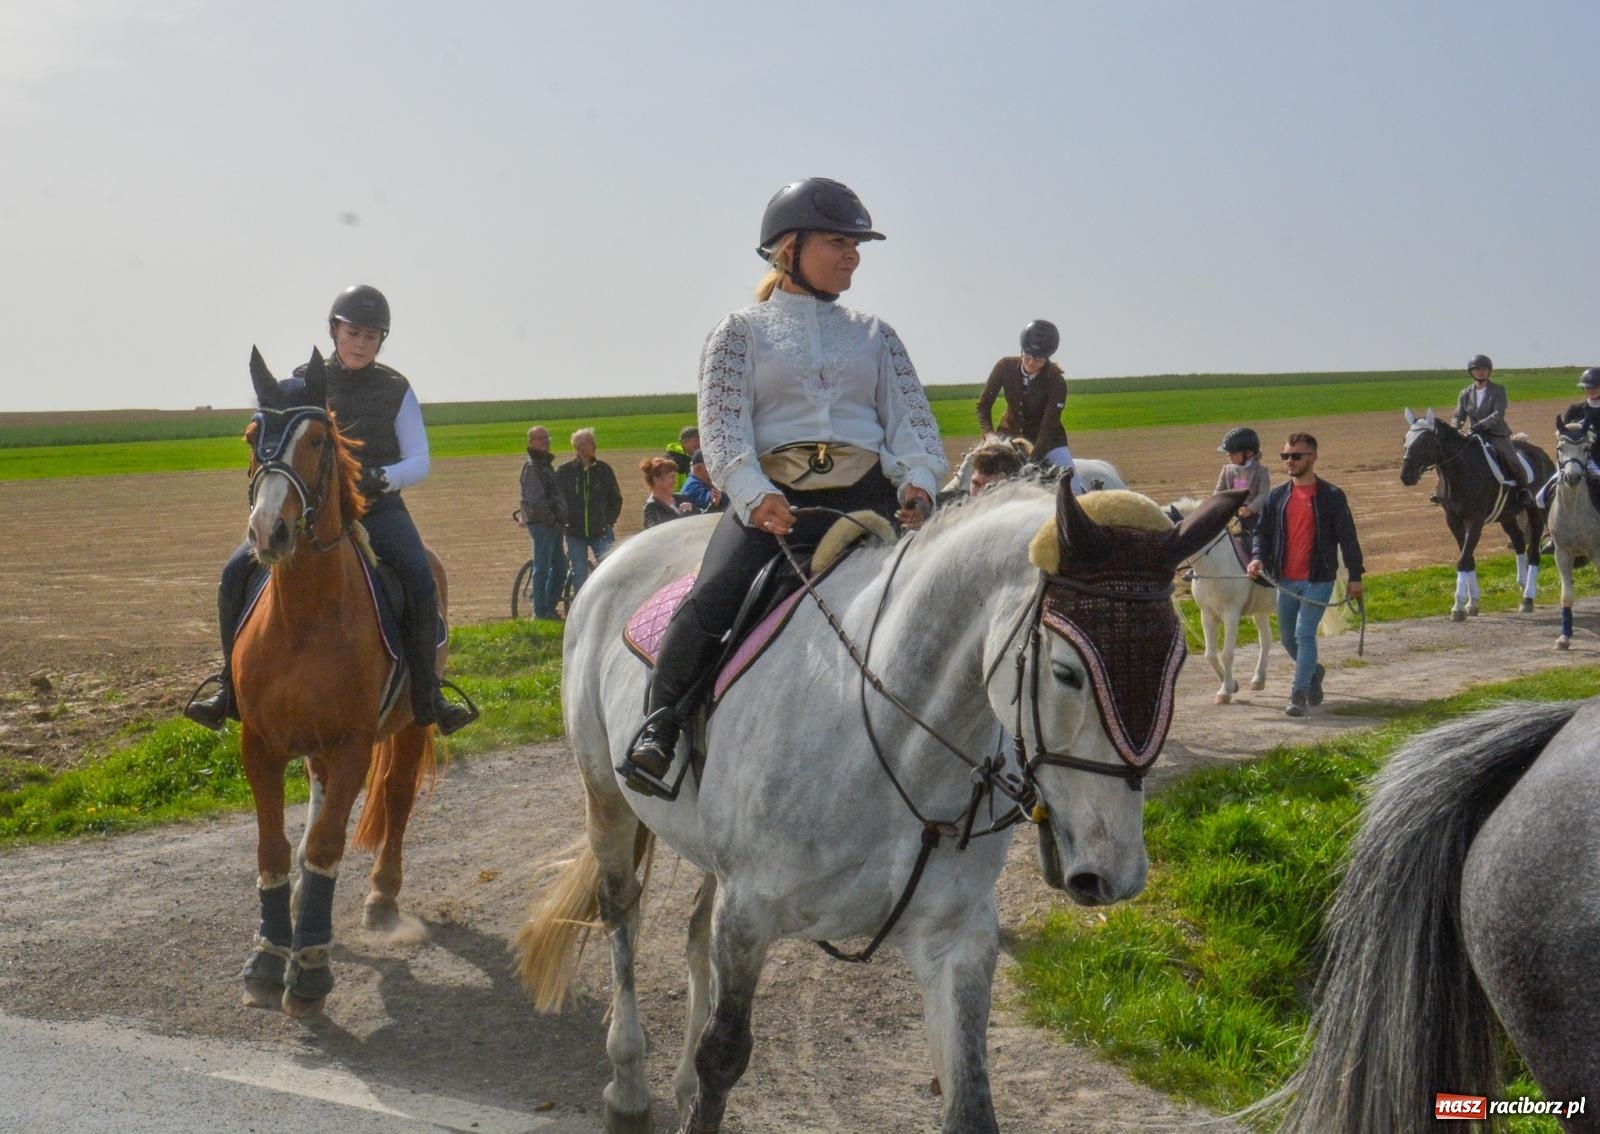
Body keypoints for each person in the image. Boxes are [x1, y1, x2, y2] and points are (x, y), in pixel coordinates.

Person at [619, 176, 946, 796]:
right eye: (837, 241)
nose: (852, 254)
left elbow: (914, 429)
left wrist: (919, 484)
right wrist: (751, 494)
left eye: (857, 245)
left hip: (869, 503)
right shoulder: (738, 332)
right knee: (714, 596)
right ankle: (658, 728)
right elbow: (721, 430)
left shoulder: (878, 335)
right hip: (775, 503)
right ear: (787, 248)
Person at [185, 284, 475, 734]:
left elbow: (420, 459)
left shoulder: (397, 389)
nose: (361, 343)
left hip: (377, 508)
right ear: (334, 331)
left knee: (419, 576)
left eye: (372, 336)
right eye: (353, 332)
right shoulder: (304, 380)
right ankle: (229, 688)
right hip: (309, 513)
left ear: (382, 341)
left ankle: (427, 696)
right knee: (234, 573)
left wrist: (383, 477)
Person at [1247, 433, 1365, 719]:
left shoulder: (1332, 497)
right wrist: (1257, 557)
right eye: (1285, 456)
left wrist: (1355, 576)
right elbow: (1262, 533)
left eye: (1296, 456)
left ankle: (1297, 694)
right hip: (1286, 580)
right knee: (1288, 638)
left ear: (1313, 457)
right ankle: (1314, 672)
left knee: (1304, 634)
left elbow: (1348, 538)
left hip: (1319, 578)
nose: (1289, 461)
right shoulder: (1277, 497)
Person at [975, 319, 1081, 493]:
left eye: (1038, 359)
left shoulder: (1056, 382)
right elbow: (983, 405)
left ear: (1048, 357)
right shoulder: (1004, 366)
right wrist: (989, 435)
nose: (1031, 363)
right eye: (1027, 356)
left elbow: (1048, 427)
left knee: (1073, 486)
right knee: (972, 474)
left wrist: (1032, 463)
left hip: (1048, 443)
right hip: (1007, 436)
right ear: (1021, 350)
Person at [1451, 354, 1531, 505]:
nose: (1480, 372)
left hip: (1496, 434)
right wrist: (1454, 428)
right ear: (1471, 372)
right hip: (1474, 434)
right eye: (1476, 369)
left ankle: (1523, 490)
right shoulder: (1464, 393)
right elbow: (1458, 415)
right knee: (1453, 456)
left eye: (1484, 369)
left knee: (1512, 459)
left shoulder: (1498, 390)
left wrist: (1480, 425)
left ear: (1489, 371)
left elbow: (1498, 414)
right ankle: (1442, 489)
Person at [557, 427, 622, 593]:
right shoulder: (565, 472)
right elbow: (557, 499)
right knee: (579, 574)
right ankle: (580, 612)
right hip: (574, 533)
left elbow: (615, 498)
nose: (595, 446)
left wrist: (608, 521)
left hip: (601, 532)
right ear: (579, 447)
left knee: (610, 571)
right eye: (591, 443)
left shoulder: (604, 470)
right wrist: (564, 521)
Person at [517, 425, 569, 619]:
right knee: (543, 567)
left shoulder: (544, 464)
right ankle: (540, 613)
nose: (545, 441)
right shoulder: (533, 467)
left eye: (547, 438)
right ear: (531, 442)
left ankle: (549, 607)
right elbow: (537, 501)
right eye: (540, 438)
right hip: (542, 524)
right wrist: (552, 521)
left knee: (560, 566)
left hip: (551, 523)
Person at [1213, 427, 1271, 539]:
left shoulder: (1261, 471)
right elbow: (1218, 490)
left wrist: (1250, 509)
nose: (1228, 455)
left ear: (1249, 453)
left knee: (1257, 536)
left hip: (1251, 514)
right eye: (1227, 452)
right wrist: (1215, 506)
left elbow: (1263, 494)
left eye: (1233, 452)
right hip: (1230, 510)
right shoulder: (1226, 470)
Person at [1560, 368, 1600, 477]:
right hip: (1574, 461)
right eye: (1587, 387)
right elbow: (1564, 436)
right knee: (1544, 491)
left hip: (1598, 461)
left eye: (1594, 387)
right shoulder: (1575, 409)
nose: (1591, 390)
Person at [641, 456, 694, 527]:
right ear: (656, 480)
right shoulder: (651, 508)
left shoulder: (680, 498)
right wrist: (685, 515)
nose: (675, 481)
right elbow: (661, 532)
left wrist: (713, 504)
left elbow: (703, 516)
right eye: (672, 477)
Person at [666, 425, 700, 490]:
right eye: (696, 440)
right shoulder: (675, 460)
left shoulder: (693, 458)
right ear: (685, 442)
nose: (699, 443)